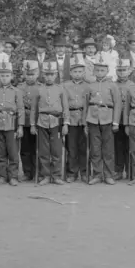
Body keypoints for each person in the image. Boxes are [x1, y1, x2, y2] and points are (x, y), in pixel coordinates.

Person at [85, 53, 121, 185]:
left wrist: (116, 122)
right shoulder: (90, 85)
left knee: (108, 149)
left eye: (102, 70)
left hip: (108, 119)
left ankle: (108, 175)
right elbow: (85, 104)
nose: (100, 72)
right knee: (95, 149)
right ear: (94, 71)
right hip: (93, 119)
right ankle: (97, 174)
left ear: (107, 71)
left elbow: (118, 104)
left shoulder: (112, 85)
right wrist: (85, 123)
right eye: (97, 70)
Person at [32, 60, 69, 186]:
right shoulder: (39, 89)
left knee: (57, 151)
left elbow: (65, 107)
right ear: (43, 75)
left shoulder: (60, 89)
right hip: (42, 122)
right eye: (47, 74)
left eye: (52, 74)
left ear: (56, 75)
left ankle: (56, 175)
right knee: (43, 151)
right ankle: (46, 175)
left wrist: (66, 124)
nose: (49, 77)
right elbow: (34, 109)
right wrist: (32, 124)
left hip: (56, 122)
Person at [0, 60, 24, 185]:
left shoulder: (16, 91)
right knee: (0, 152)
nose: (4, 78)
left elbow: (20, 109)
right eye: (2, 76)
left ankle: (13, 176)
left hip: (11, 124)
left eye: (7, 75)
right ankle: (1, 176)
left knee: (13, 152)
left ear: (12, 76)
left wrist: (20, 127)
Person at [63, 54, 89, 183]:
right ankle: (72, 172)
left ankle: (84, 172)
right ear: (70, 72)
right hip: (71, 119)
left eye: (80, 71)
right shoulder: (65, 86)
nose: (77, 74)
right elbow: (64, 104)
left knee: (83, 147)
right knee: (71, 147)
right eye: (75, 72)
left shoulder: (88, 86)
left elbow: (89, 105)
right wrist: (66, 121)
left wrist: (86, 122)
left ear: (84, 72)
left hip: (84, 119)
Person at [17, 60, 41, 182]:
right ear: (24, 74)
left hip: (37, 121)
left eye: (32, 74)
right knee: (25, 148)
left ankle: (38, 171)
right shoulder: (19, 88)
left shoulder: (41, 87)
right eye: (28, 74)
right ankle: (27, 172)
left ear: (37, 74)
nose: (30, 76)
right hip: (24, 120)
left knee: (37, 147)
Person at [112, 59, 132, 180]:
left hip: (130, 119)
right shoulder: (113, 85)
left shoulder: (133, 85)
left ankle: (130, 170)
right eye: (119, 70)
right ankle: (118, 170)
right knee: (117, 146)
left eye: (124, 70)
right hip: (117, 119)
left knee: (130, 145)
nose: (121, 73)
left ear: (129, 71)